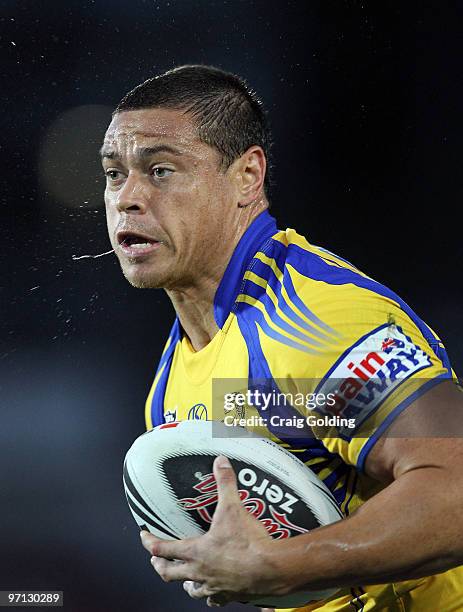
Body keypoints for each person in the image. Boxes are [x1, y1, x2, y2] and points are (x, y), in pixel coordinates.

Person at [101, 64, 463, 611]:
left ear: (246, 177)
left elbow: (457, 484)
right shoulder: (180, 373)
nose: (127, 197)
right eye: (113, 174)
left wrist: (281, 566)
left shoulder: (314, 322)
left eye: (161, 170)